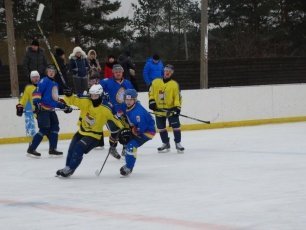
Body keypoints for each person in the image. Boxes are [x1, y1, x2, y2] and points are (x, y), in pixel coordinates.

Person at [56, 84, 124, 177]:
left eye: (96, 96)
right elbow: (72, 99)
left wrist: (123, 130)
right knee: (71, 149)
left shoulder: (107, 108)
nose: (93, 98)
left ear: (100, 95)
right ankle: (67, 168)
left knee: (78, 148)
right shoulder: (85, 101)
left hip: (94, 136)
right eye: (92, 95)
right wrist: (69, 95)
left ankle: (71, 168)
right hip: (81, 131)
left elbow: (117, 120)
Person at [29, 65, 72, 158]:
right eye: (49, 71)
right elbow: (36, 92)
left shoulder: (55, 84)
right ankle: (31, 149)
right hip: (43, 110)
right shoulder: (44, 81)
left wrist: (64, 106)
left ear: (55, 73)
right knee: (44, 129)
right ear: (46, 72)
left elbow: (55, 100)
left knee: (55, 128)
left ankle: (53, 149)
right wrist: (37, 104)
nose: (51, 72)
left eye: (53, 71)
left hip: (51, 110)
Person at [99, 64, 134, 159]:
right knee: (115, 131)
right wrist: (102, 97)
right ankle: (112, 148)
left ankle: (125, 147)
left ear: (122, 72)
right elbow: (96, 92)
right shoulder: (106, 82)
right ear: (113, 72)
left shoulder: (127, 83)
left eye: (120, 71)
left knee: (127, 129)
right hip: (111, 112)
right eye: (116, 72)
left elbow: (133, 96)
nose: (118, 73)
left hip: (125, 111)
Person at [118, 89, 156, 176]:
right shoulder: (128, 105)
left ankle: (129, 167)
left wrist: (132, 132)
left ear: (134, 100)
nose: (128, 102)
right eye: (126, 100)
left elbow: (141, 128)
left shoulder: (138, 113)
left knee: (131, 145)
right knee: (129, 144)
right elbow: (121, 110)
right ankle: (128, 163)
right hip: (137, 127)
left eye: (130, 100)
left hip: (147, 132)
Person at [148, 64, 185, 153]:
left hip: (171, 109)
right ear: (163, 71)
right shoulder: (155, 82)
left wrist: (177, 107)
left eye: (170, 71)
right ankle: (165, 143)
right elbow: (151, 92)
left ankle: (178, 143)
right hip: (159, 109)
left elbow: (177, 97)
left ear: (172, 73)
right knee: (161, 128)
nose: (167, 72)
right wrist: (152, 102)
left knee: (176, 127)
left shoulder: (174, 84)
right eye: (166, 70)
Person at [16, 70, 40, 137]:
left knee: (46, 127)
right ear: (31, 78)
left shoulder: (43, 86)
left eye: (37, 77)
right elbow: (24, 99)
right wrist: (20, 105)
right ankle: (32, 139)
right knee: (33, 124)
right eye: (33, 77)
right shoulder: (28, 88)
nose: (36, 79)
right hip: (35, 110)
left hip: (44, 109)